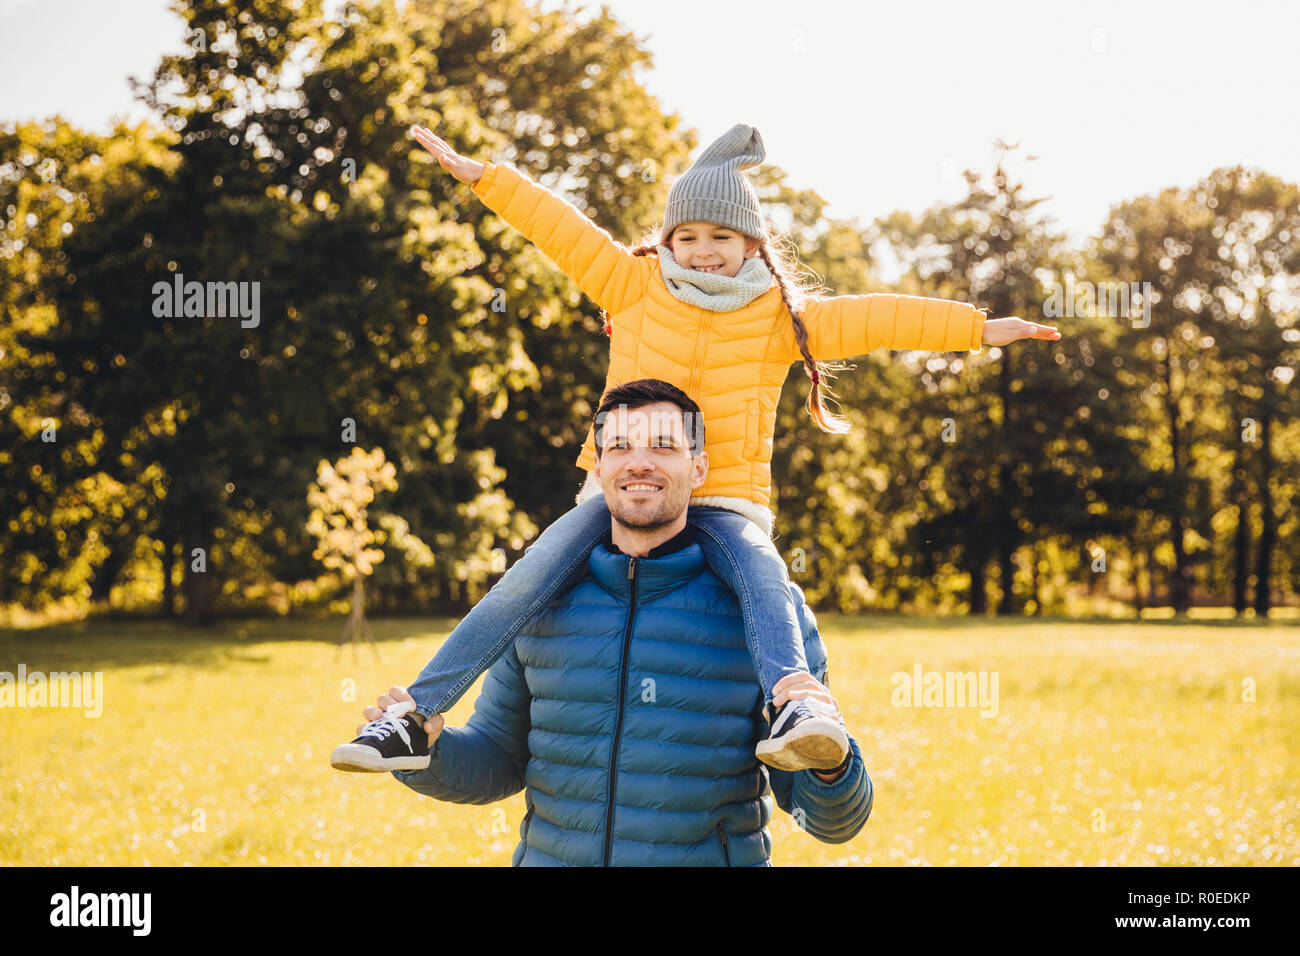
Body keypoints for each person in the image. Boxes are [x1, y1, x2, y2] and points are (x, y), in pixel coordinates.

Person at [331, 121, 1060, 774]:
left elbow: (880, 319)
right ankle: (415, 716)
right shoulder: (631, 284)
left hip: (729, 494)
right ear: (668, 239)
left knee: (763, 581)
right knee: (526, 578)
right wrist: (483, 175)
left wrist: (979, 329)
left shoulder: (782, 318)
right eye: (688, 237)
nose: (703, 252)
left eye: (721, 239)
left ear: (751, 245)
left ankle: (797, 706)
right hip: (623, 488)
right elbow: (558, 227)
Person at [348, 381, 873, 865]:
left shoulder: (765, 613)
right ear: (598, 469)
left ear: (699, 468)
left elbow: (831, 821)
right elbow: (499, 761)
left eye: (664, 446)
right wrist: (429, 753)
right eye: (620, 446)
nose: (639, 463)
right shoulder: (538, 603)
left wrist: (831, 765)